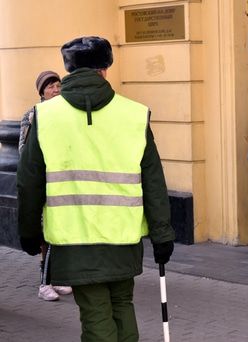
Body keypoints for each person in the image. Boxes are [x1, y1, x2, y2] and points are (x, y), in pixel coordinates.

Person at [17, 36, 175, 341]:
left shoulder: (46, 117)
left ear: (68, 70)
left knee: (95, 314)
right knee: (122, 305)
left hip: (73, 241)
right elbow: (154, 180)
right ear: (105, 70)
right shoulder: (134, 114)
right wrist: (162, 235)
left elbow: (28, 180)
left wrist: (28, 232)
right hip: (123, 239)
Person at [19, 70, 73, 301]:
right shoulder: (33, 115)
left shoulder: (67, 113)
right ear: (41, 91)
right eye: (50, 86)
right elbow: (24, 149)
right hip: (43, 182)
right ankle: (45, 283)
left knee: (60, 231)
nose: (55, 90)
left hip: (63, 182)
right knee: (46, 235)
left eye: (58, 85)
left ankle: (58, 277)